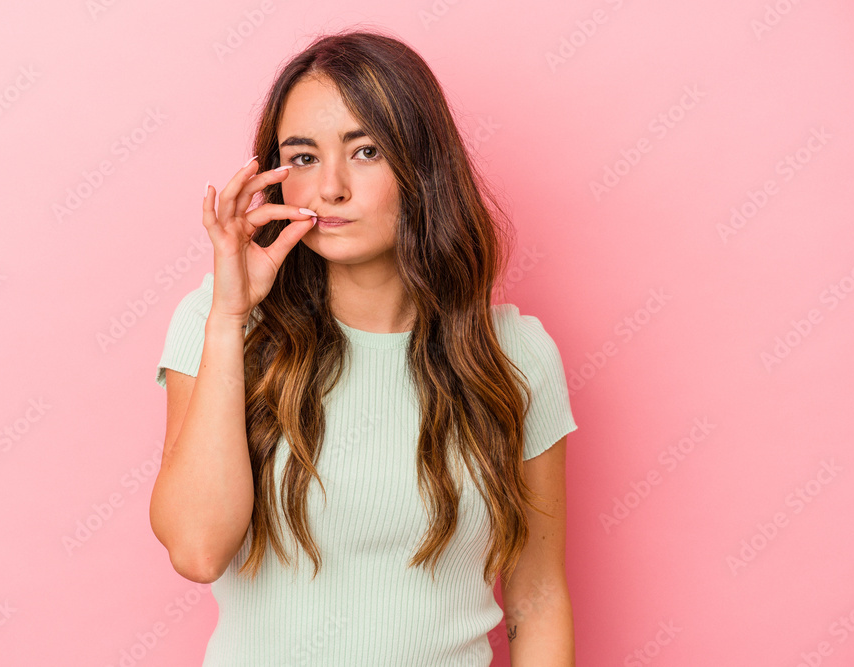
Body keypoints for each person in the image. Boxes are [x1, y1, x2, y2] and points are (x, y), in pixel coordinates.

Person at [149, 28, 578, 667]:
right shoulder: (219, 322)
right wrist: (229, 318)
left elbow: (536, 601)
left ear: (422, 165)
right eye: (302, 158)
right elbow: (197, 550)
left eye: (367, 151)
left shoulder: (515, 356)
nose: (331, 188)